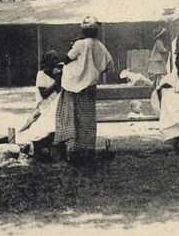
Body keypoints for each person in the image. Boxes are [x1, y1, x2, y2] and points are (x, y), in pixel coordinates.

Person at [55, 16, 114, 164]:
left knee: (72, 117)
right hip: (89, 87)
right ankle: (87, 151)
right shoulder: (98, 44)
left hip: (73, 86)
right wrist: (94, 69)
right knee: (87, 119)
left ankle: (73, 150)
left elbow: (67, 58)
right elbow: (108, 63)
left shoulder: (80, 44)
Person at [17, 51, 62, 152]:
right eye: (53, 59)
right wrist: (56, 83)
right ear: (47, 61)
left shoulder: (58, 74)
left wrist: (59, 77)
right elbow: (44, 94)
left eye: (56, 59)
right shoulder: (41, 74)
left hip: (55, 105)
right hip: (44, 106)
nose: (55, 61)